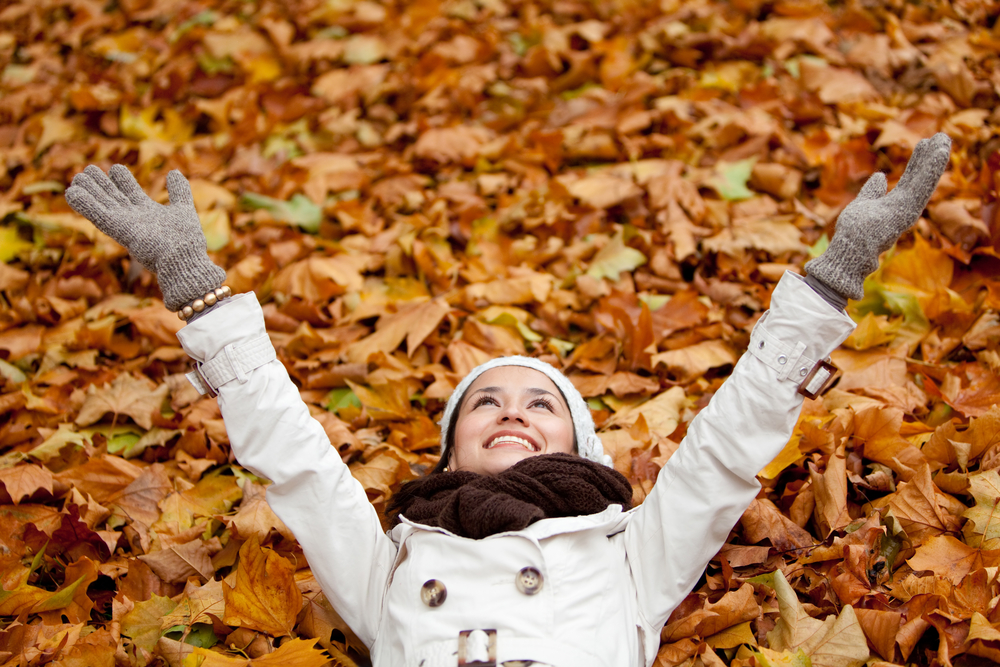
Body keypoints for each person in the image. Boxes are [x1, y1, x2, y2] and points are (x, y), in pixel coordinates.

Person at [65, 133, 951, 667]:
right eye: (485, 403)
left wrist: (833, 279)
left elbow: (725, 449)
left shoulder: (633, 551)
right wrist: (197, 287)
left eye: (540, 400)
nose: (512, 411)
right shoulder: (395, 562)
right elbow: (296, 460)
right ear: (449, 450)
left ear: (582, 444)